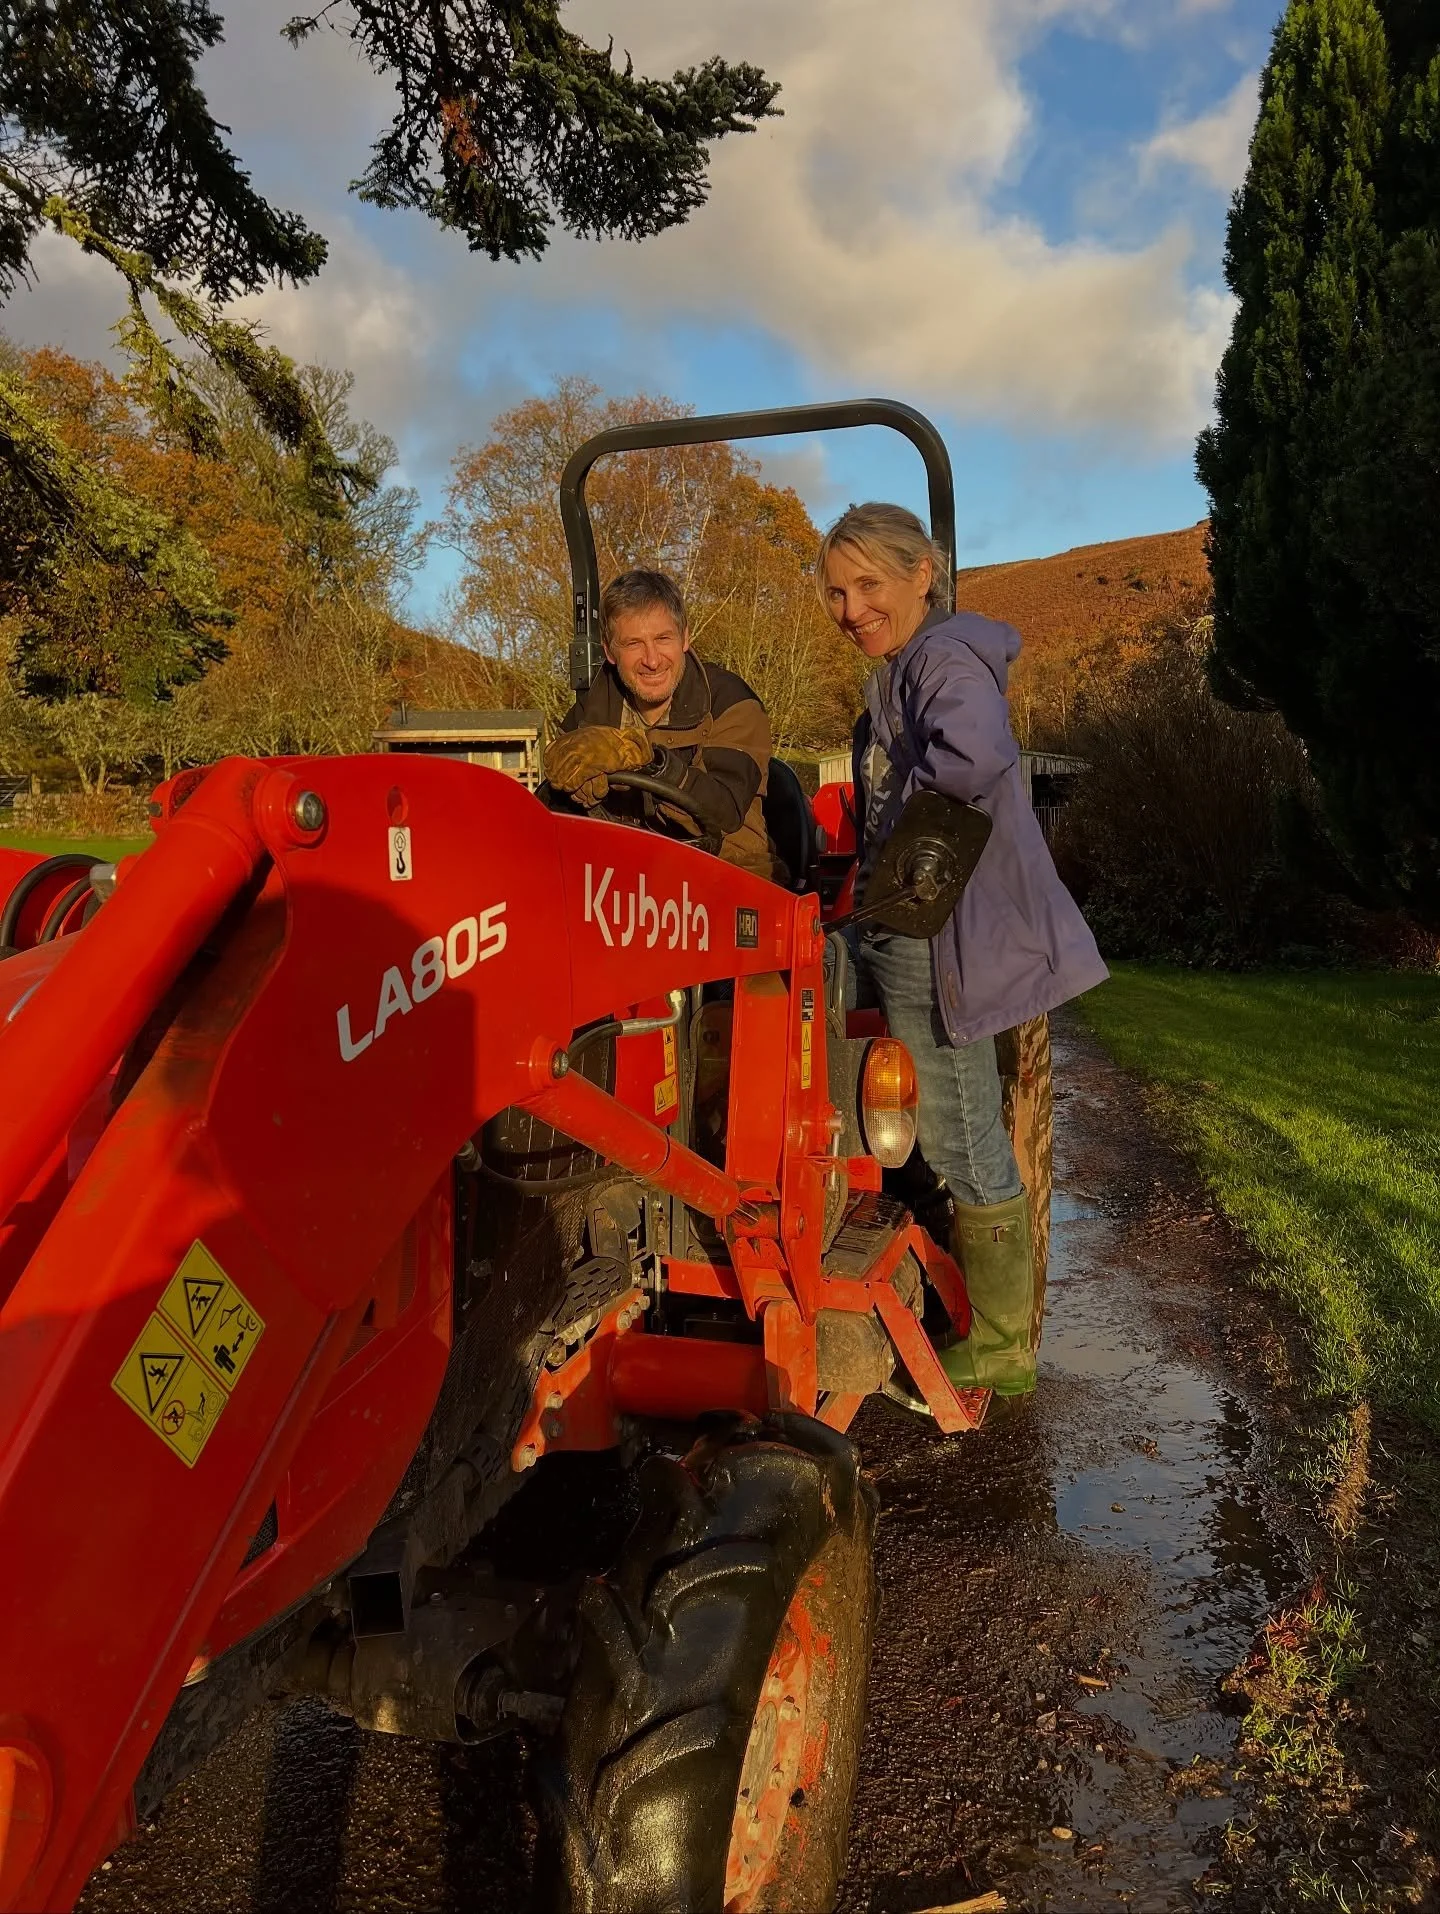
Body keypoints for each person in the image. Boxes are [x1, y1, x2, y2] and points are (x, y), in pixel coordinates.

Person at [820, 502, 1108, 1396]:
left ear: (923, 574)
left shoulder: (941, 657)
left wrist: (909, 848)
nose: (851, 608)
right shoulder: (906, 667)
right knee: (812, 988)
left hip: (934, 931)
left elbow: (975, 756)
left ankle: (1003, 1346)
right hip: (903, 920)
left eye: (869, 584)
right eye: (836, 593)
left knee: (959, 1127)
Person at [543, 568, 785, 881]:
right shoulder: (589, 712)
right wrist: (570, 787)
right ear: (609, 651)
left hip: (728, 876)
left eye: (662, 638)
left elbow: (725, 810)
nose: (652, 660)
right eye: (633, 643)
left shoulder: (730, 702)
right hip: (620, 879)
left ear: (685, 637)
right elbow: (554, 812)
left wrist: (649, 762)